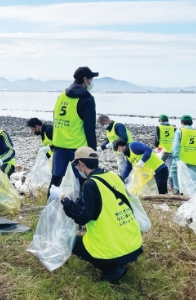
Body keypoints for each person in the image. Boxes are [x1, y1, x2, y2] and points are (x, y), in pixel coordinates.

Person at [48, 147, 143, 284]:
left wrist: (63, 198)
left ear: (81, 164)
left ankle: (111, 269)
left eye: (76, 165)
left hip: (116, 248)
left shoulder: (90, 184)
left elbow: (82, 217)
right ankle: (116, 259)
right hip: (134, 243)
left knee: (72, 241)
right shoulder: (113, 176)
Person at [51, 66, 98, 190]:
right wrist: (93, 150)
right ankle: (84, 207)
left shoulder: (61, 96)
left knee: (55, 180)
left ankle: (50, 207)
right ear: (85, 80)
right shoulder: (87, 99)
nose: (91, 82)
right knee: (83, 180)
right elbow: (90, 126)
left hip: (59, 145)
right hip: (77, 147)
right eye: (91, 79)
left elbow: (55, 118)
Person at [170, 115, 196, 195]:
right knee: (194, 179)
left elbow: (175, 146)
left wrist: (176, 158)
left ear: (181, 122)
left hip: (182, 159)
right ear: (192, 123)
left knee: (174, 172)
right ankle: (193, 194)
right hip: (195, 160)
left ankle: (177, 189)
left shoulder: (180, 131)